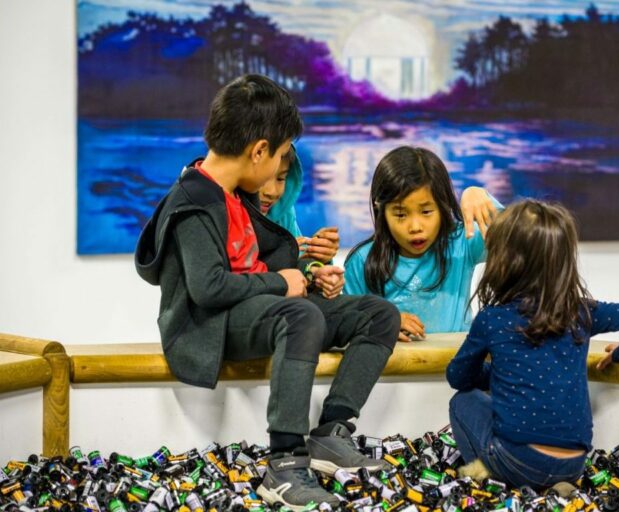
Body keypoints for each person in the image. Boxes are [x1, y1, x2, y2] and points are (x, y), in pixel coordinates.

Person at [134, 74, 400, 510]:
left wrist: (309, 276)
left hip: (258, 308)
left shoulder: (236, 196)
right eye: (278, 156)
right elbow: (209, 287)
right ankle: (284, 463)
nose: (279, 168)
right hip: (211, 325)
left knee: (378, 314)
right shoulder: (193, 203)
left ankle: (332, 432)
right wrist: (282, 283)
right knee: (302, 317)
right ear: (258, 151)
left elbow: (261, 263)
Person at [446, 199, 619, 490]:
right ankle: (556, 486)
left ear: (502, 262)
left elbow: (458, 377)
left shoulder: (492, 319)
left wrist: (497, 375)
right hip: (574, 463)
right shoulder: (581, 312)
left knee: (462, 402)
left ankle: (494, 477)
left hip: (516, 459)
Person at [344, 146, 502, 340]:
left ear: (442, 203)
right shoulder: (362, 261)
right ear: (380, 209)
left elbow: (520, 239)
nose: (415, 226)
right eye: (401, 214)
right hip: (389, 368)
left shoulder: (462, 241)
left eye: (426, 212)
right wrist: (385, 321)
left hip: (454, 365)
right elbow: (348, 323)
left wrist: (480, 195)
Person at [258, 145, 340, 263]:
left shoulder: (283, 211)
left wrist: (316, 257)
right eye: (263, 177)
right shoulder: (227, 212)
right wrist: (278, 259)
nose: (272, 192)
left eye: (281, 179)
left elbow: (299, 263)